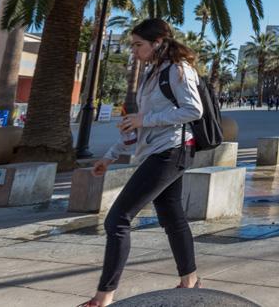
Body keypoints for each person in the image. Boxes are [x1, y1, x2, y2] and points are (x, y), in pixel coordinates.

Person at [81, 19, 203, 307]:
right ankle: (191, 281)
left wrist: (144, 119)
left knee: (118, 219)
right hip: (159, 150)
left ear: (157, 43)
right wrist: (110, 156)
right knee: (172, 217)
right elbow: (139, 128)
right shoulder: (152, 73)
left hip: (172, 151)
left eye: (138, 45)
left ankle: (104, 297)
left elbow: (193, 109)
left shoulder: (177, 69)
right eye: (133, 45)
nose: (134, 51)